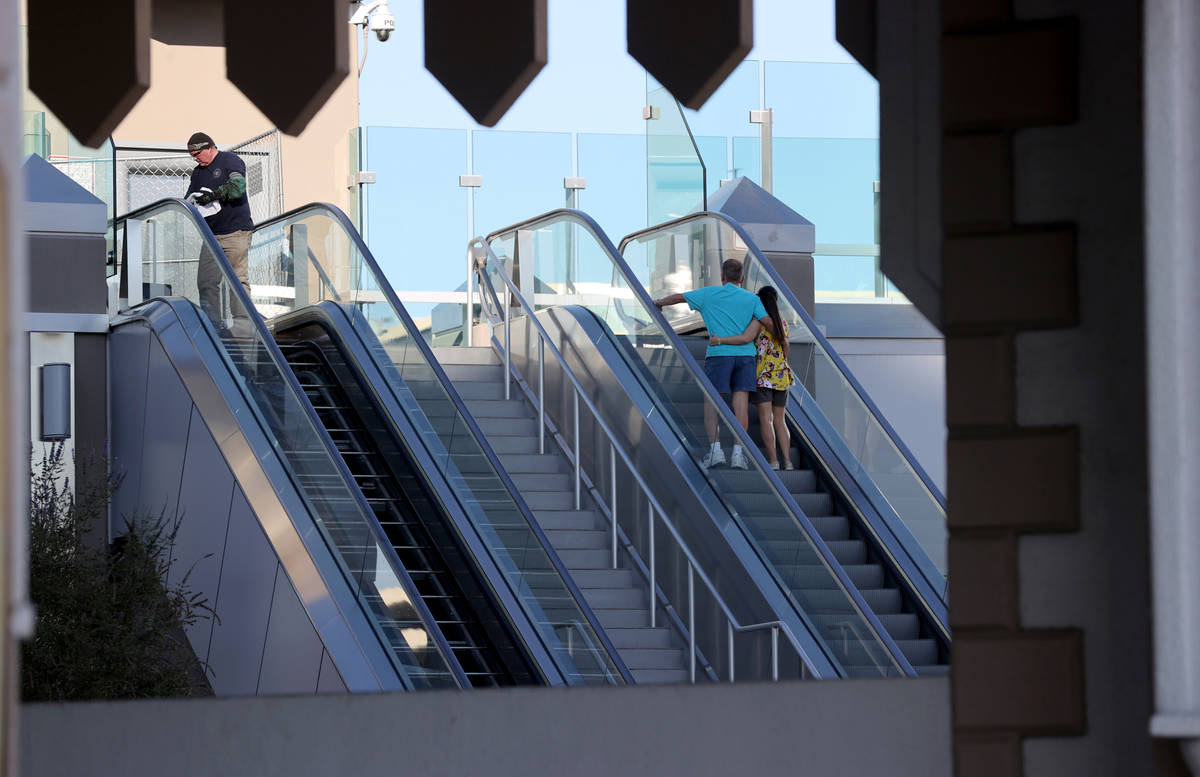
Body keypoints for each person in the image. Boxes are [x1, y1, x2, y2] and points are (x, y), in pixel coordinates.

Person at [653, 258, 774, 469]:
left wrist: (659, 303)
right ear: (742, 278)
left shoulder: (709, 293)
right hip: (745, 357)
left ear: (722, 277)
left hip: (719, 355)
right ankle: (738, 454)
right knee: (741, 405)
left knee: (712, 403)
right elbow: (769, 323)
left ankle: (716, 451)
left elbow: (679, 297)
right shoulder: (752, 299)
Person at [712, 286, 795, 470]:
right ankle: (788, 461)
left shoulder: (759, 322)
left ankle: (773, 461)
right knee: (780, 420)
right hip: (781, 377)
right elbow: (786, 349)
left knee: (767, 419)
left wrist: (720, 340)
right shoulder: (783, 324)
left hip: (762, 376)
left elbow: (744, 338)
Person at [184, 131, 253, 329]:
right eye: (192, 156)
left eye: (197, 154)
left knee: (237, 280)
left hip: (235, 231)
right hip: (211, 235)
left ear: (209, 148)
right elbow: (189, 196)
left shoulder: (229, 160)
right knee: (206, 282)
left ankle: (242, 324)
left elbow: (237, 187)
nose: (195, 159)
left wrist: (212, 196)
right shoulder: (198, 172)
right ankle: (212, 326)